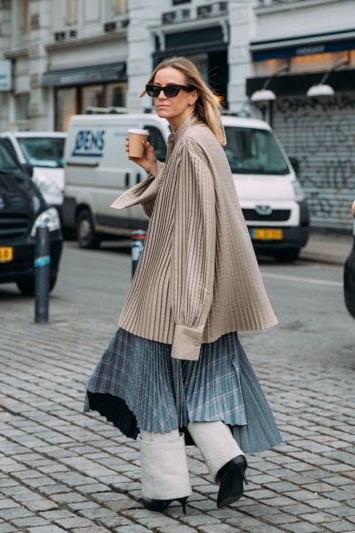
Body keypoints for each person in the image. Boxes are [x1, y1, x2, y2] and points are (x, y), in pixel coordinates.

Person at [84, 56, 283, 513]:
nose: (161, 97)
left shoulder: (191, 144)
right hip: (192, 293)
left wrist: (191, 314)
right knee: (192, 384)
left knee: (152, 384)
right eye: (155, 89)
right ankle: (226, 459)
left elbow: (195, 234)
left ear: (193, 94)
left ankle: (166, 487)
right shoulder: (194, 141)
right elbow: (177, 213)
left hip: (174, 294)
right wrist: (154, 167)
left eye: (171, 89)